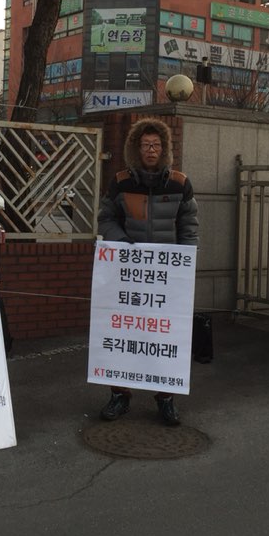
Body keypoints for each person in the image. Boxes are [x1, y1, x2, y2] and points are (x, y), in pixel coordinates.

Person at [96, 117, 199, 426]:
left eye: (156, 144)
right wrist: (122, 244)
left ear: (164, 148)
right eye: (145, 145)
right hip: (127, 274)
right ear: (135, 149)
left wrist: (186, 266)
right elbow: (106, 218)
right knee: (122, 333)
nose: (151, 150)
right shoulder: (121, 182)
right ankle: (119, 394)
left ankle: (165, 397)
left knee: (165, 336)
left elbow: (189, 227)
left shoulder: (179, 183)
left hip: (167, 279)